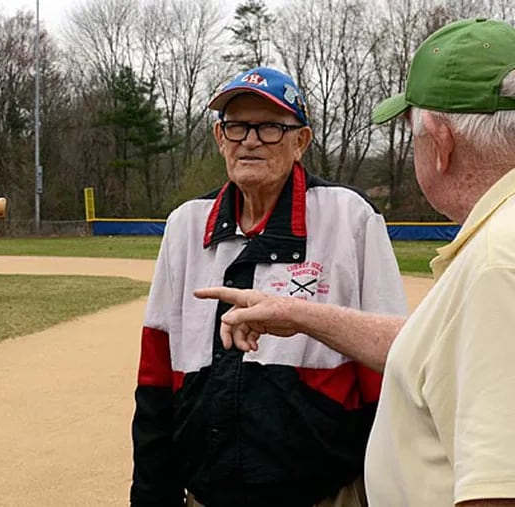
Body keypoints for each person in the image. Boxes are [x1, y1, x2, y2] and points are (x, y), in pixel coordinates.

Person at [195, 18, 515, 506]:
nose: (251, 140)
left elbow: (498, 489)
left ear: (441, 142)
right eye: (237, 127)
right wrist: (296, 313)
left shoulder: (496, 261)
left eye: (412, 135)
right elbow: (425, 348)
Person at [130, 65, 407, 507]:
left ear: (301, 141)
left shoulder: (349, 217)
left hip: (324, 492)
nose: (251, 140)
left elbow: (389, 369)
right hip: (207, 492)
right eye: (236, 126)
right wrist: (151, 495)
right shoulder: (184, 225)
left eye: (271, 127)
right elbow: (156, 376)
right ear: (220, 139)